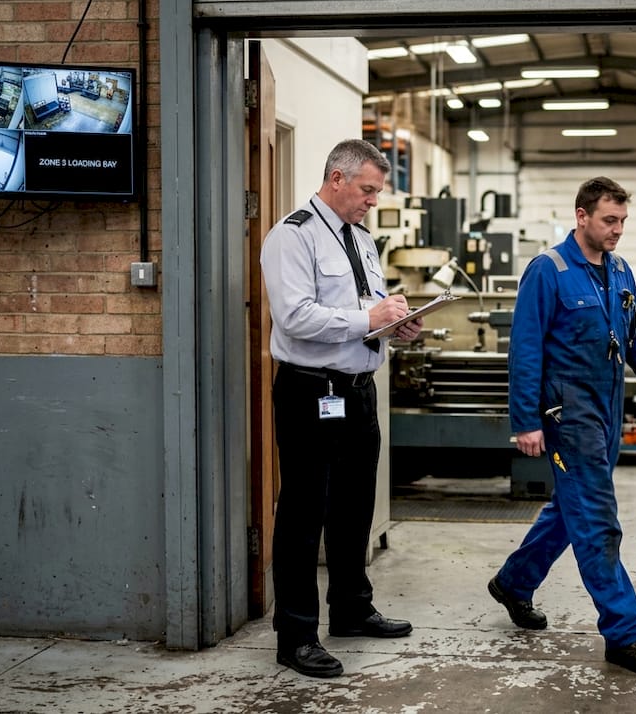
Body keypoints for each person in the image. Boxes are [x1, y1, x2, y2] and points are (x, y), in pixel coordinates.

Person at [488, 176, 636, 676]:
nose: (617, 230)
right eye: (608, 220)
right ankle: (624, 632)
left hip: (608, 406)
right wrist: (525, 422)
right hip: (567, 412)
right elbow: (526, 350)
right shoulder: (549, 270)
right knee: (598, 518)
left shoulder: (619, 270)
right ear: (581, 217)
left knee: (571, 507)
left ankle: (515, 582)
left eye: (622, 221)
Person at [259, 139, 424, 678]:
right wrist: (369, 317)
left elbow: (363, 313)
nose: (373, 201)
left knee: (354, 506)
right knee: (304, 514)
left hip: (357, 388)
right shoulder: (292, 236)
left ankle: (351, 609)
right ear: (337, 178)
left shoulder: (362, 239)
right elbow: (296, 317)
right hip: (311, 391)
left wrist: (397, 326)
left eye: (376, 191)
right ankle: (296, 634)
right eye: (367, 190)